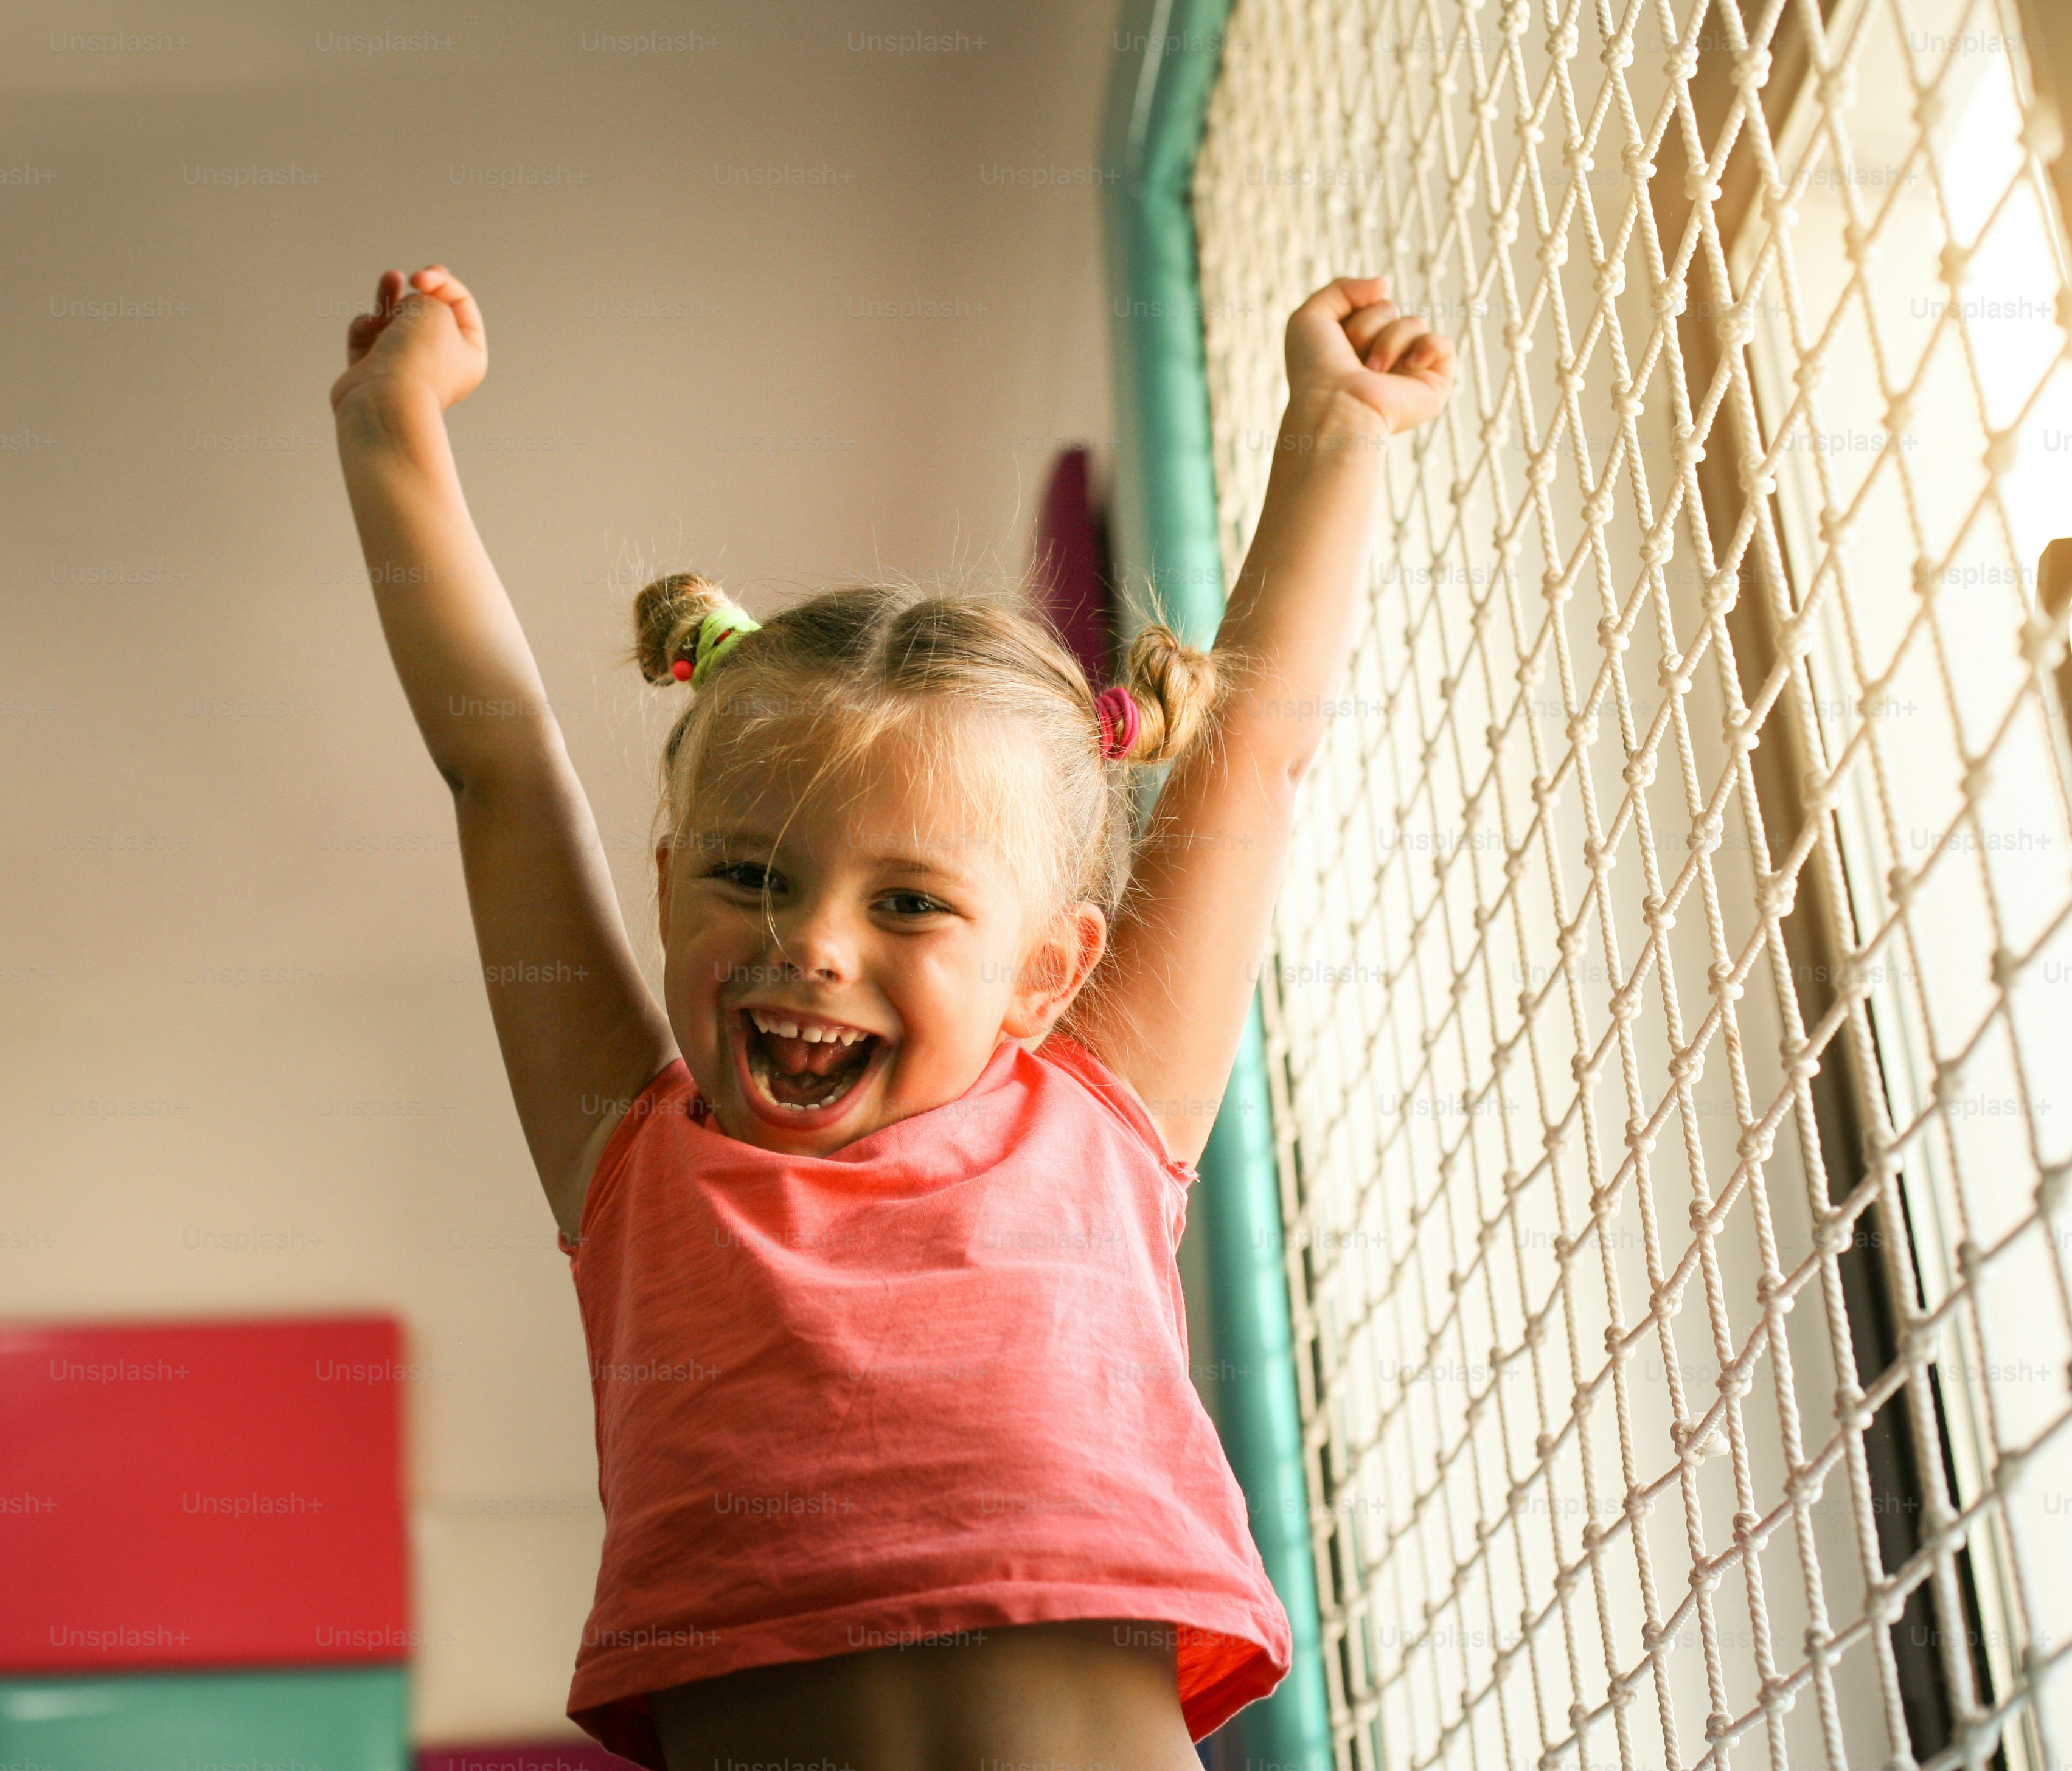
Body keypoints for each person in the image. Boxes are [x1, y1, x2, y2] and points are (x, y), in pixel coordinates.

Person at [330, 263, 1452, 1770]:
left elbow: (1250, 754)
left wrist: (1341, 428)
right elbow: (504, 775)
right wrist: (390, 427)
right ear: (666, 890)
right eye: (750, 874)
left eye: (910, 904)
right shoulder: (639, 1166)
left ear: (1047, 971)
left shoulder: (1096, 1124)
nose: (812, 945)